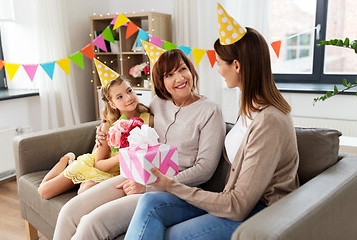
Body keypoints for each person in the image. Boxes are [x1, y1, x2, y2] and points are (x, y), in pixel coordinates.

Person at [124, 21, 300, 240]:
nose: (218, 70)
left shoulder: (269, 121)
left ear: (236, 65)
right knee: (149, 202)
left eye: (219, 63)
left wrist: (171, 184)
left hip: (261, 210)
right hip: (230, 198)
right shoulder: (249, 107)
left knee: (173, 236)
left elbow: (238, 205)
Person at [53, 49, 226, 239]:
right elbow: (128, 119)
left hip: (175, 190)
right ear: (161, 81)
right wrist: (102, 133)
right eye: (169, 74)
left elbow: (205, 169)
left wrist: (152, 186)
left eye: (182, 69)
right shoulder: (158, 103)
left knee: (91, 223)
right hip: (136, 175)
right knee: (69, 211)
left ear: (191, 70)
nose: (179, 78)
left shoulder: (210, 111)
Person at [38, 75, 152, 199]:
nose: (128, 98)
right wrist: (122, 156)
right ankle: (65, 160)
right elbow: (99, 164)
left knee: (84, 192)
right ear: (112, 104)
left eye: (129, 91)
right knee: (44, 191)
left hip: (119, 174)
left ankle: (82, 179)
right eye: (119, 97)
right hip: (98, 166)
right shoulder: (108, 125)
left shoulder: (149, 120)